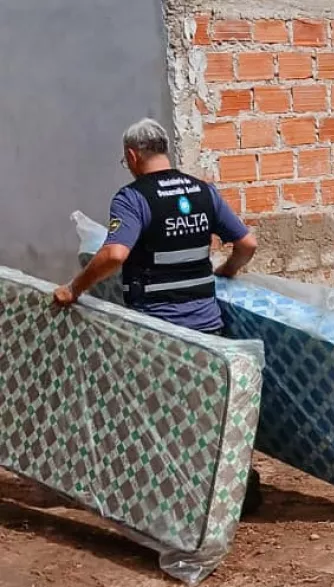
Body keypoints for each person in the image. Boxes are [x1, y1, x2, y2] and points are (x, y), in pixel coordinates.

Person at [53, 118, 264, 516]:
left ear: (132, 156)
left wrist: (74, 288)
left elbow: (115, 254)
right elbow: (247, 243)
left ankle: (170, 503)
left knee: (159, 416)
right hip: (208, 325)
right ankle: (238, 489)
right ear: (164, 148)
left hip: (160, 330)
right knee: (208, 411)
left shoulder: (132, 198)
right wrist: (227, 272)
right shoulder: (204, 192)